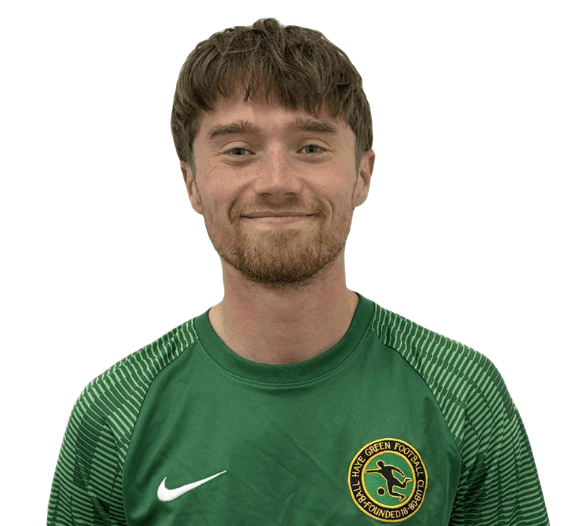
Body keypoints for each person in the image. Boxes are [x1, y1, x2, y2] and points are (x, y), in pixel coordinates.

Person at [47, 17, 549, 525]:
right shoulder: (115, 413)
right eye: (238, 151)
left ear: (362, 175)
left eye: (310, 147)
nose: (277, 182)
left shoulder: (462, 395)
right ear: (191, 183)